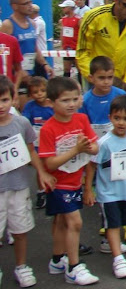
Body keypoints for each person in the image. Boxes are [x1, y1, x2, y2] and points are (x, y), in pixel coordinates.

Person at [38, 77, 99, 285]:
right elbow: (50, 164)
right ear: (51, 102)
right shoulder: (48, 129)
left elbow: (95, 148)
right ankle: (73, 267)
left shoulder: (81, 119)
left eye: (75, 99)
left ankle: (57, 260)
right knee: (75, 222)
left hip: (75, 180)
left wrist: (88, 147)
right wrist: (76, 149)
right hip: (58, 183)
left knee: (63, 222)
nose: (71, 104)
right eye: (65, 100)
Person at [0, 75, 55, 288]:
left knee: (20, 230)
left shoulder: (21, 123)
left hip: (18, 186)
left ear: (13, 98)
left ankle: (21, 266)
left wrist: (41, 173)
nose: (1, 106)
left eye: (5, 100)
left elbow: (31, 150)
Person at [83, 96, 126, 279]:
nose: (121, 123)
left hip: (125, 190)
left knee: (122, 220)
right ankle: (118, 259)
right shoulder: (104, 142)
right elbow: (91, 165)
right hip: (108, 192)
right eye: (117, 118)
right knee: (112, 223)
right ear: (110, 118)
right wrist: (88, 189)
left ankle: (110, 244)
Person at [1, 0, 53, 107]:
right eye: (26, 3)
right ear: (15, 6)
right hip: (16, 77)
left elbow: (34, 48)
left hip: (31, 74)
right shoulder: (8, 25)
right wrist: (17, 70)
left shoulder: (32, 23)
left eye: (31, 2)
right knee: (22, 109)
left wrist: (45, 64)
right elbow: (3, 54)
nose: (30, 6)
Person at [21, 76, 53, 209]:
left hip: (51, 142)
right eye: (35, 92)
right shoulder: (30, 106)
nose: (39, 94)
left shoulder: (52, 105)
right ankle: (41, 192)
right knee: (41, 169)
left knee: (52, 167)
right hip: (37, 143)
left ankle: (54, 190)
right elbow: (24, 121)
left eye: (42, 91)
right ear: (30, 94)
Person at [59, 0, 81, 79]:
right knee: (66, 69)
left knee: (80, 69)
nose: (63, 9)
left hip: (76, 48)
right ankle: (65, 85)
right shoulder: (63, 20)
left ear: (70, 8)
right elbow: (62, 33)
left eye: (64, 7)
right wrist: (62, 45)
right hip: (67, 48)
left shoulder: (78, 19)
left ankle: (81, 85)